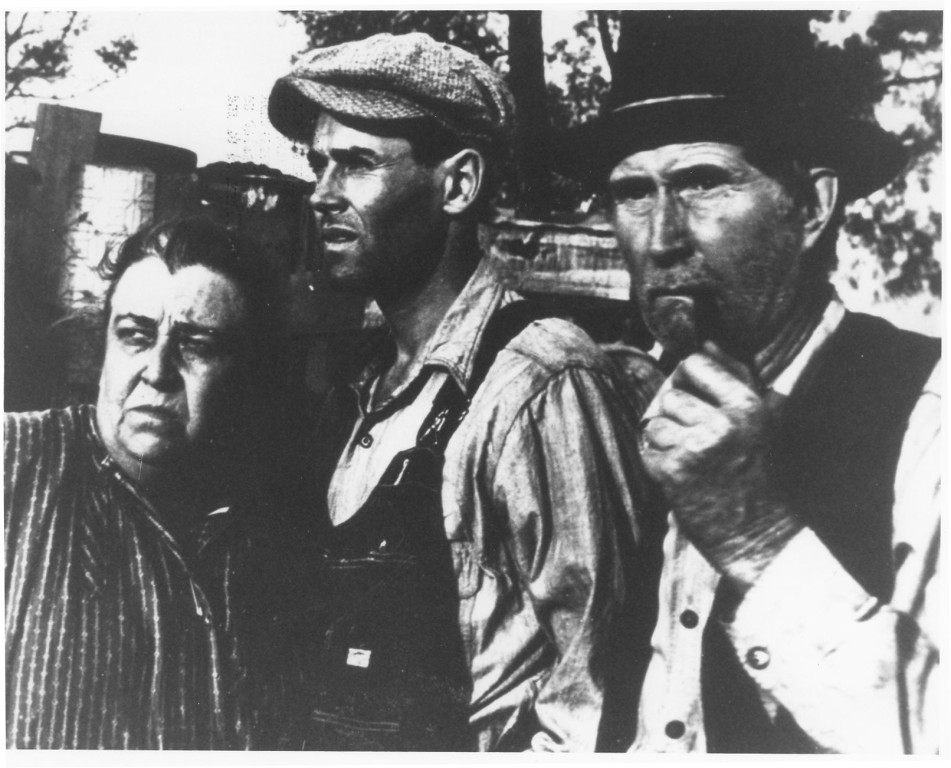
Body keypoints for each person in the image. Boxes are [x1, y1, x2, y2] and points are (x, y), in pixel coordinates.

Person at [266, 32, 660, 751]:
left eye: (356, 164)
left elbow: (594, 700)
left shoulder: (540, 381)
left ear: (458, 185)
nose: (321, 195)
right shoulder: (362, 386)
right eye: (318, 164)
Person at [562, 11, 942, 754]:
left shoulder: (927, 411)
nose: (661, 238)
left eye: (702, 182)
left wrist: (756, 536)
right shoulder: (645, 407)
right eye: (632, 193)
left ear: (811, 207)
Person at [5, 215, 287, 749]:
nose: (157, 371)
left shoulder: (269, 528)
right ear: (103, 346)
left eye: (196, 346)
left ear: (246, 373)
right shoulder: (15, 461)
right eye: (135, 336)